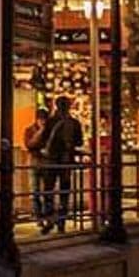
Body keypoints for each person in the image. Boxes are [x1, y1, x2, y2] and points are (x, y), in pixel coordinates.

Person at [40, 95, 84, 235]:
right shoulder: (74, 123)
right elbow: (79, 142)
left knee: (48, 190)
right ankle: (61, 222)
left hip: (51, 161)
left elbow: (44, 139)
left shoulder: (51, 122)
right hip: (66, 161)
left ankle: (49, 218)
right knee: (64, 192)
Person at [23, 108, 50, 228]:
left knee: (48, 191)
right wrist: (40, 132)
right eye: (41, 120)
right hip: (34, 161)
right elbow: (29, 145)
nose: (43, 122)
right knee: (35, 191)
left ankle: (47, 216)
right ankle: (38, 217)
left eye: (45, 120)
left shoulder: (50, 131)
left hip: (46, 162)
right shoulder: (29, 130)